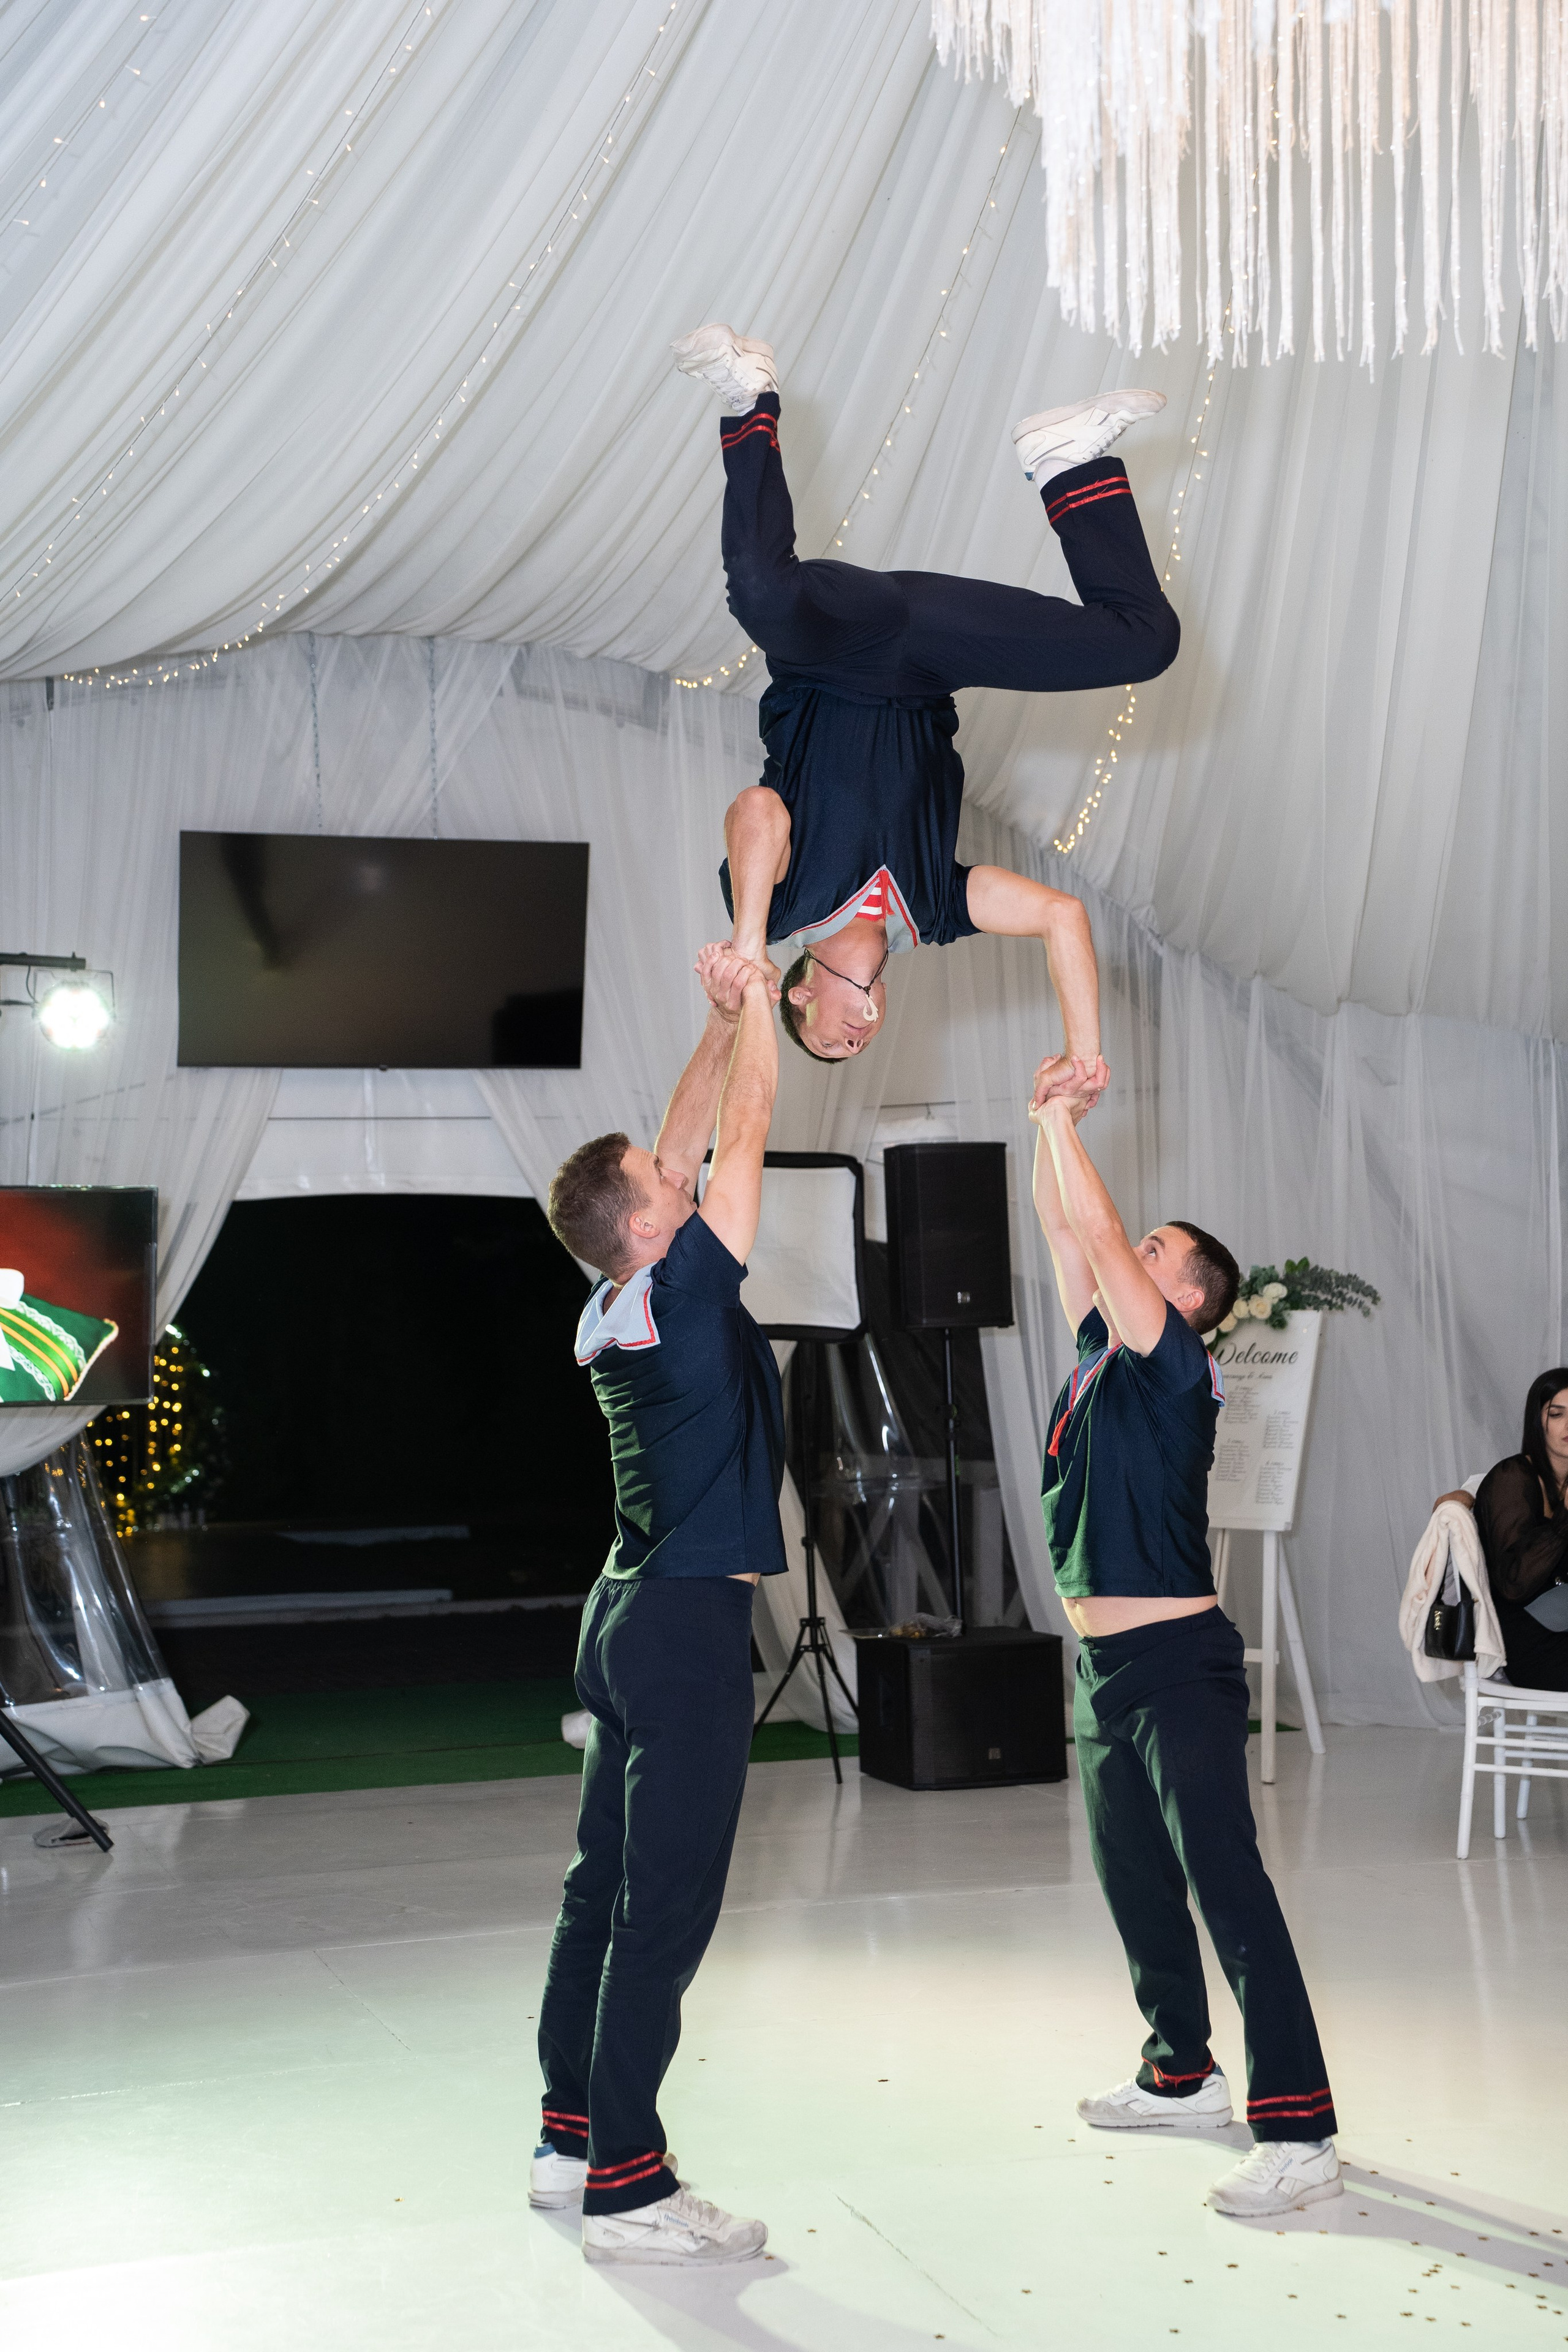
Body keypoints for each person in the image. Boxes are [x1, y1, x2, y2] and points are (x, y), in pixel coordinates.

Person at [673, 322, 1180, 1071]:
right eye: (856, 1049)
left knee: (759, 593)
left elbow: (758, 812)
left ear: (803, 993)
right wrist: (1084, 1054)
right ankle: (1068, 463)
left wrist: (750, 948)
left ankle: (749, 397)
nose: (854, 1041)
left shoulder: (781, 909)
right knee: (1145, 643)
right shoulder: (935, 914)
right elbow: (1061, 916)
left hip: (832, 654)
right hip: (929, 660)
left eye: (830, 1041)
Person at [1029, 1052, 1341, 2219]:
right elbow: (1071, 1242)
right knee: (1135, 1881)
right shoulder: (1103, 1357)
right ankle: (1180, 2074)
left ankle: (1301, 2128)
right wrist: (1040, 1124)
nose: (1134, 1257)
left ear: (1192, 1300)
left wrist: (1070, 1126)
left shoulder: (1174, 1365)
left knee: (1228, 1887)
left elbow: (1101, 1239)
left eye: (1161, 1256)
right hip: (1104, 1668)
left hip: (1177, 1665)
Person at [532, 944, 783, 2267]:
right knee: (661, 1905)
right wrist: (773, 1011)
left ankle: (566, 2127)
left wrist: (716, 1008)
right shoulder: (683, 1288)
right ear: (645, 1224)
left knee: (599, 1888)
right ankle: (625, 2183)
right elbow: (739, 1130)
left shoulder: (609, 1300)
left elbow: (684, 1139)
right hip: (683, 1629)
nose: (678, 1183)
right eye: (661, 1187)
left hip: (622, 1613)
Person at [1436, 1368, 1568, 1690]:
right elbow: (1514, 1583)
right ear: (1539, 1422)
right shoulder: (1513, 1477)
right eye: (1557, 1413)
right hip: (1529, 1644)